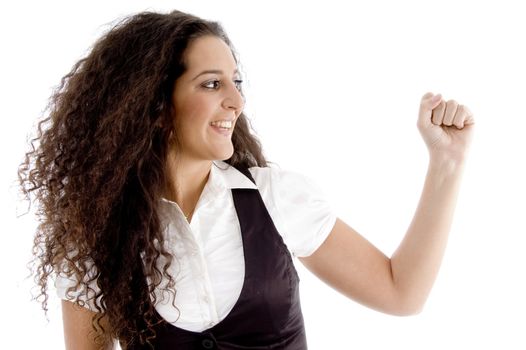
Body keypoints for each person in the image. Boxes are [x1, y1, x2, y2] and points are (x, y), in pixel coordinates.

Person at [19, 9, 475, 350]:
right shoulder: (97, 239)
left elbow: (401, 292)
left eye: (237, 82)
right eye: (212, 83)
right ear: (154, 106)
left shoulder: (275, 198)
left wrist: (446, 163)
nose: (236, 100)